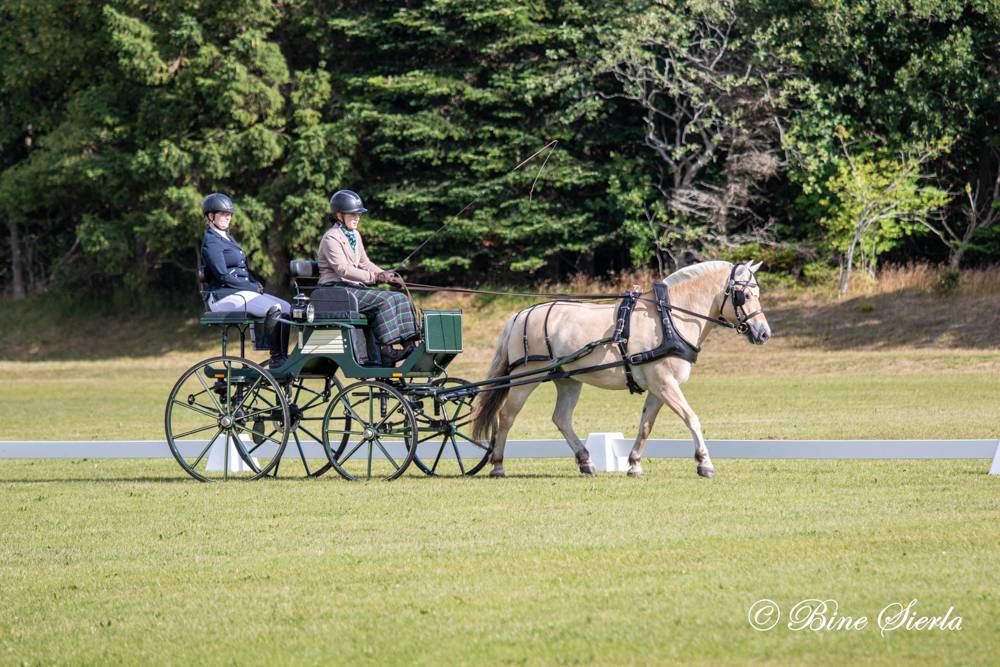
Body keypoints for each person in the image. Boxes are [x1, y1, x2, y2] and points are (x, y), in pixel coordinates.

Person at [317, 189, 418, 364]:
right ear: (339, 215)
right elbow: (343, 270)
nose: (357, 218)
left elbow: (364, 263)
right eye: (352, 214)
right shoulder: (331, 238)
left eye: (359, 214)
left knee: (399, 298)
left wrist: (387, 275)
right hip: (335, 290)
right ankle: (386, 350)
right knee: (384, 300)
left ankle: (409, 345)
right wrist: (375, 278)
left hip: (352, 289)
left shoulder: (355, 235)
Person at [200, 193, 290, 367]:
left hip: (240, 291)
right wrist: (250, 286)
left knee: (286, 308)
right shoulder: (211, 241)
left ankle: (284, 356)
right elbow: (222, 275)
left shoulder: (228, 238)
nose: (228, 217)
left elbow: (243, 270)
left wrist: (255, 283)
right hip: (222, 296)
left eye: (229, 214)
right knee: (274, 308)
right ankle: (277, 358)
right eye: (223, 213)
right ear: (211, 216)